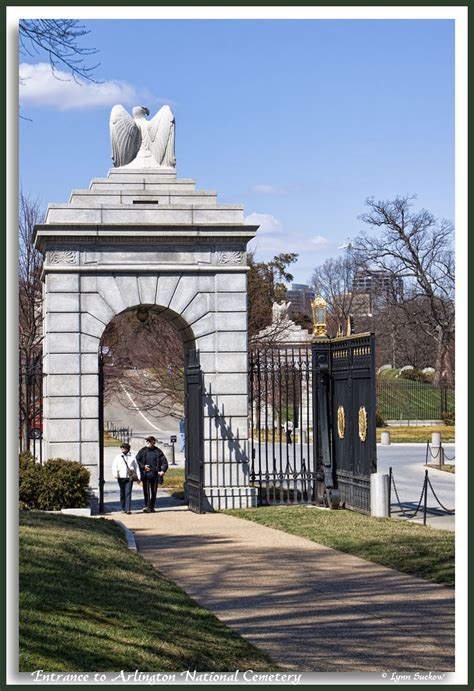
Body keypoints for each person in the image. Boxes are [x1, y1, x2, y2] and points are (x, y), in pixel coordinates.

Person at [135, 436, 168, 513]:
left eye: (150, 441)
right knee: (146, 491)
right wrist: (143, 466)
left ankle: (152, 506)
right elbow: (136, 461)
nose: (148, 443)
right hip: (145, 475)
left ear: (154, 442)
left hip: (155, 475)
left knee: (154, 491)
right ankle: (147, 506)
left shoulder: (158, 451)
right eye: (147, 441)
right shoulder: (143, 451)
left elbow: (164, 462)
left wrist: (163, 470)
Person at [112, 442, 140, 514]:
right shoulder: (118, 456)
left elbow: (136, 467)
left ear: (127, 449)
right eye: (121, 447)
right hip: (120, 477)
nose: (122, 449)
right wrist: (115, 474)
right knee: (122, 493)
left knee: (128, 493)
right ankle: (123, 508)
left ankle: (128, 509)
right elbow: (114, 466)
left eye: (124, 448)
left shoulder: (132, 457)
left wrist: (138, 477)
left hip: (129, 477)